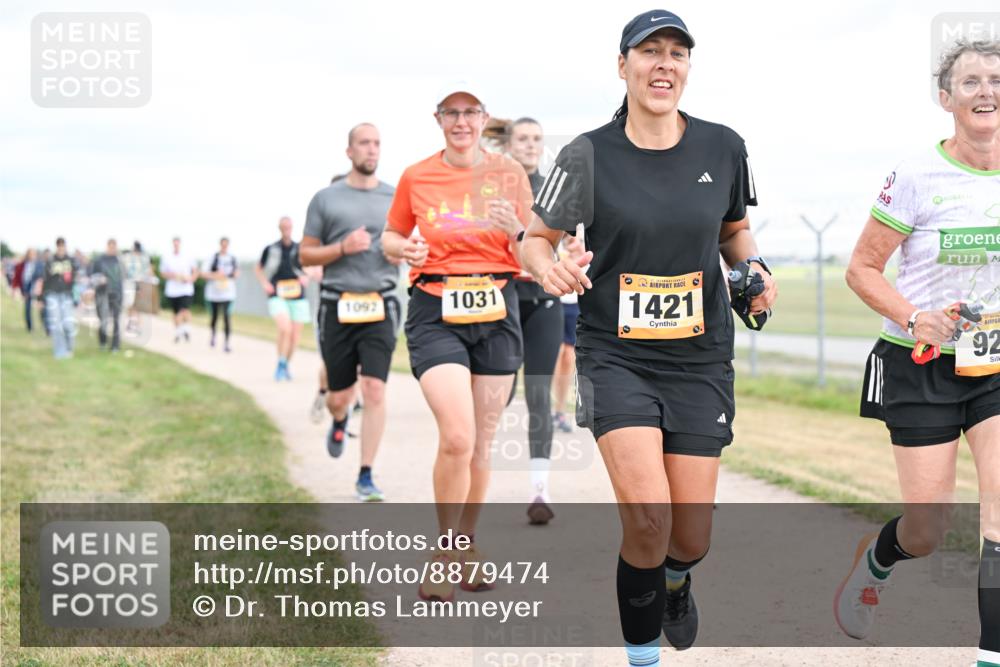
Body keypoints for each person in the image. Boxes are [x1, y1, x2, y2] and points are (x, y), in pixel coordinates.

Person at [520, 11, 776, 665]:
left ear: (689, 68)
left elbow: (732, 231)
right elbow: (535, 239)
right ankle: (642, 656)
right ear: (623, 65)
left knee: (689, 537)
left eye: (678, 53)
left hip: (699, 358)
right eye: (650, 51)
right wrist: (548, 267)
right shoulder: (586, 154)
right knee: (648, 520)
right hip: (616, 354)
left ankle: (677, 582)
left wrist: (753, 271)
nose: (665, 64)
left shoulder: (723, 146)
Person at [841, 39, 1000, 667]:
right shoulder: (914, 175)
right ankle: (878, 561)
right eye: (970, 82)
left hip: (994, 363)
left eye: (996, 78)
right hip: (920, 363)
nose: (986, 90)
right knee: (928, 530)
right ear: (946, 99)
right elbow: (862, 269)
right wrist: (916, 316)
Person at [382, 82, 534, 602]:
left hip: (496, 305)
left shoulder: (509, 174)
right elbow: (390, 236)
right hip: (435, 307)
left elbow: (536, 239)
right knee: (458, 437)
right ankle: (444, 554)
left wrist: (517, 225)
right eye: (453, 113)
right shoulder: (416, 175)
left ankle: (466, 544)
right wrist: (406, 246)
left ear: (483, 118)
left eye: (471, 113)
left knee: (482, 442)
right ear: (439, 119)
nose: (462, 121)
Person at [301, 122, 401, 501]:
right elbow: (306, 253)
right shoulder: (326, 199)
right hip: (337, 304)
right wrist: (342, 247)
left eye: (377, 143)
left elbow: (406, 242)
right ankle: (340, 419)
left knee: (374, 389)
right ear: (349, 152)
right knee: (339, 396)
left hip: (381, 302)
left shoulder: (394, 197)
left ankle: (365, 475)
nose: (372, 150)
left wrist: (402, 249)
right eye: (364, 143)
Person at [506, 117, 566, 525]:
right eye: (523, 139)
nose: (530, 145)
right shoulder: (488, 184)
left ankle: (539, 490)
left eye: (536, 140)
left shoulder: (554, 188)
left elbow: (564, 243)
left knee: (539, 394)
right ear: (509, 145)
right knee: (498, 394)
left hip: (543, 299)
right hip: (501, 297)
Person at [255, 217, 310, 381]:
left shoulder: (300, 248)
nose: (286, 229)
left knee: (294, 336)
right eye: (283, 227)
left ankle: (286, 364)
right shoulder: (271, 248)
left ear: (292, 228)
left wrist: (306, 277)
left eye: (289, 226)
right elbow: (258, 268)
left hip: (297, 295)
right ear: (280, 228)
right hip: (277, 294)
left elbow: (310, 267)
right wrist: (265, 283)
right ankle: (280, 362)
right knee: (284, 329)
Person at [35, 237, 80, 359]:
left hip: (66, 295)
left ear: (65, 246)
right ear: (57, 247)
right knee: (56, 324)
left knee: (68, 324)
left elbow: (76, 281)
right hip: (52, 295)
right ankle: (59, 352)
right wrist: (40, 299)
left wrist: (77, 298)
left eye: (63, 246)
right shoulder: (50, 261)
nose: (61, 248)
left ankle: (69, 348)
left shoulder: (71, 261)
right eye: (59, 246)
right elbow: (44, 281)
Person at [203, 237, 239, 352]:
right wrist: (216, 275)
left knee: (226, 317)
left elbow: (237, 273)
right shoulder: (213, 258)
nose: (224, 247)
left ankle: (227, 343)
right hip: (214, 293)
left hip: (228, 293)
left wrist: (230, 275)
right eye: (222, 245)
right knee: (214, 316)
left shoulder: (233, 258)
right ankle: (213, 335)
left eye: (226, 245)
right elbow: (204, 274)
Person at [89, 239, 125, 352]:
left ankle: (115, 346)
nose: (113, 249)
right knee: (103, 320)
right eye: (111, 247)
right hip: (102, 293)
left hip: (117, 293)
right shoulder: (99, 260)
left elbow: (123, 277)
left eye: (114, 247)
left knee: (116, 319)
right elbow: (92, 277)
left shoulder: (120, 261)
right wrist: (100, 279)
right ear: (107, 247)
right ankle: (103, 341)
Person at [159, 237, 198, 343]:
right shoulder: (167, 257)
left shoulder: (188, 256)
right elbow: (163, 273)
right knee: (176, 312)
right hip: (173, 289)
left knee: (184, 309)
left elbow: (195, 271)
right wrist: (172, 275)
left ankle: (185, 328)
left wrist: (190, 279)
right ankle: (179, 331)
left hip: (185, 288)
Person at [123, 240, 153, 333]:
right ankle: (131, 323)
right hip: (130, 283)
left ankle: (135, 324)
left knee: (137, 306)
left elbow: (149, 271)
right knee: (131, 305)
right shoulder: (127, 257)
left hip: (140, 283)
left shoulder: (144, 258)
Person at [15, 248, 41, 332]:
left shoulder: (39, 264)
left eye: (33, 254)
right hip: (26, 287)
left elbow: (41, 276)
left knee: (42, 308)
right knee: (27, 308)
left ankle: (46, 325)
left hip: (37, 287)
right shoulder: (23, 264)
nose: (32, 256)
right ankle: (29, 327)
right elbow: (19, 276)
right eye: (30, 254)